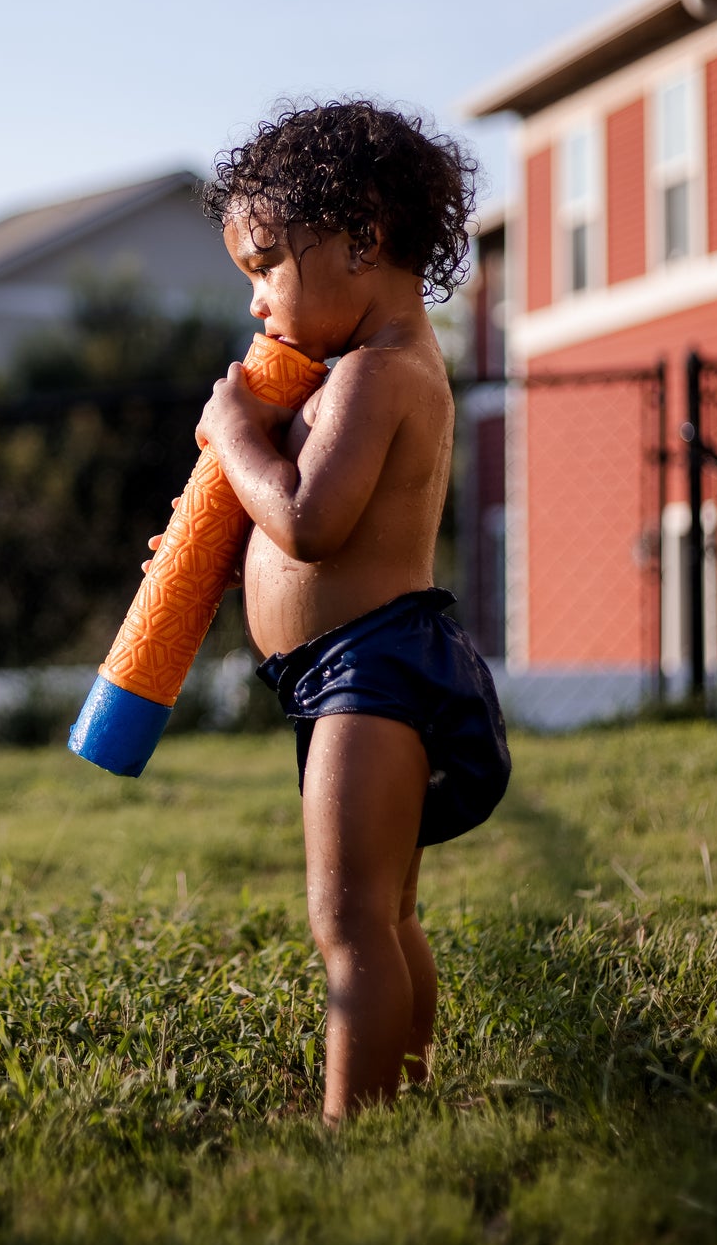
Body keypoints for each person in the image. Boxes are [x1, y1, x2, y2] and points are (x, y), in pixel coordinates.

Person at [193, 100, 509, 1122]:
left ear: (363, 239)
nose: (254, 302)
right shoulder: (354, 375)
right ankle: (402, 1094)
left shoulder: (377, 375)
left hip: (370, 671)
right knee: (385, 911)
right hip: (354, 670)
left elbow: (311, 522)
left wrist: (236, 440)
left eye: (265, 266)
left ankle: (352, 1126)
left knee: (349, 921)